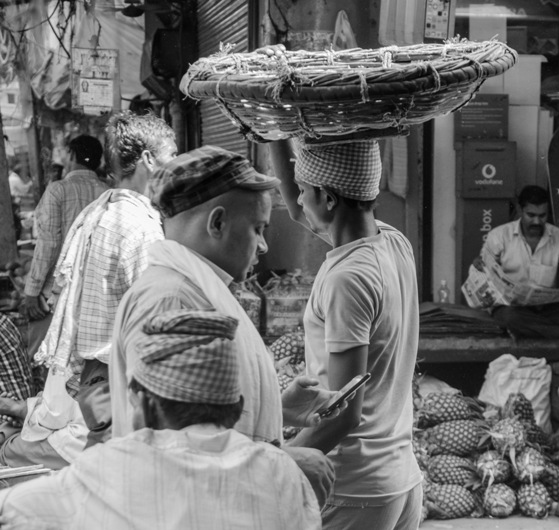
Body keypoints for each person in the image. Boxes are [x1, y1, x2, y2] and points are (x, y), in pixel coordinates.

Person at [111, 145, 338, 508]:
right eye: (257, 229)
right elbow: (171, 449)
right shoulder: (171, 300)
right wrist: (283, 461)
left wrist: (277, 407)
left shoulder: (199, 288)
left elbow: (197, 416)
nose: (263, 246)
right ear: (217, 223)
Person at [0, 309, 322, 530]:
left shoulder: (112, 467)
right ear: (237, 404)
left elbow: (15, 508)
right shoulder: (281, 471)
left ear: (143, 403)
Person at [0, 112, 178, 470]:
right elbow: (155, 323)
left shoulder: (104, 209)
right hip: (113, 378)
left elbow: (49, 247)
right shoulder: (137, 225)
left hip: (92, 377)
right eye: (171, 157)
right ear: (147, 159)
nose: (175, 168)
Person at [270, 138, 423, 530]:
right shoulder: (390, 242)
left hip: (353, 488)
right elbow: (297, 207)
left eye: (306, 192)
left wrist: (277, 467)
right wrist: (274, 133)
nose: (299, 202)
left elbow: (344, 412)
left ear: (329, 198)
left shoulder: (347, 279)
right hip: (399, 481)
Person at [20, 135, 109, 357]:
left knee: (46, 358)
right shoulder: (109, 191)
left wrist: (32, 291)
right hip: (96, 290)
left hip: (57, 292)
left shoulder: (58, 190)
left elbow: (49, 243)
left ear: (71, 154)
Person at [473, 184, 559, 340]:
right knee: (508, 317)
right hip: (512, 308)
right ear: (519, 210)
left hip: (546, 308)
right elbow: (484, 275)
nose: (537, 221)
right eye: (531, 215)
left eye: (542, 215)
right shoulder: (499, 236)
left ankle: (528, 331)